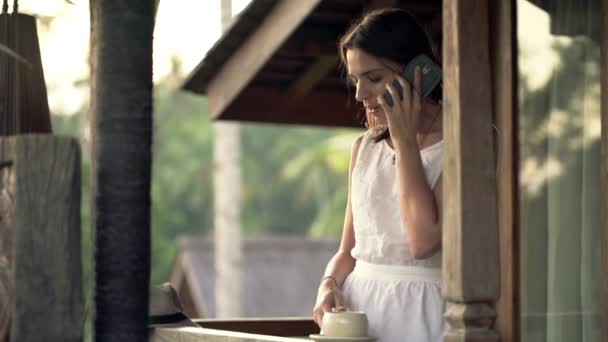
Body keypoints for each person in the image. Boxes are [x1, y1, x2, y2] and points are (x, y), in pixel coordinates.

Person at [312, 8, 447, 342]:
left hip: (425, 314)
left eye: (373, 78)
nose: (359, 95)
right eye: (356, 80)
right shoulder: (364, 148)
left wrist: (404, 143)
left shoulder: (467, 143)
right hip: (360, 316)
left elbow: (423, 241)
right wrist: (328, 284)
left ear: (421, 72)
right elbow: (348, 251)